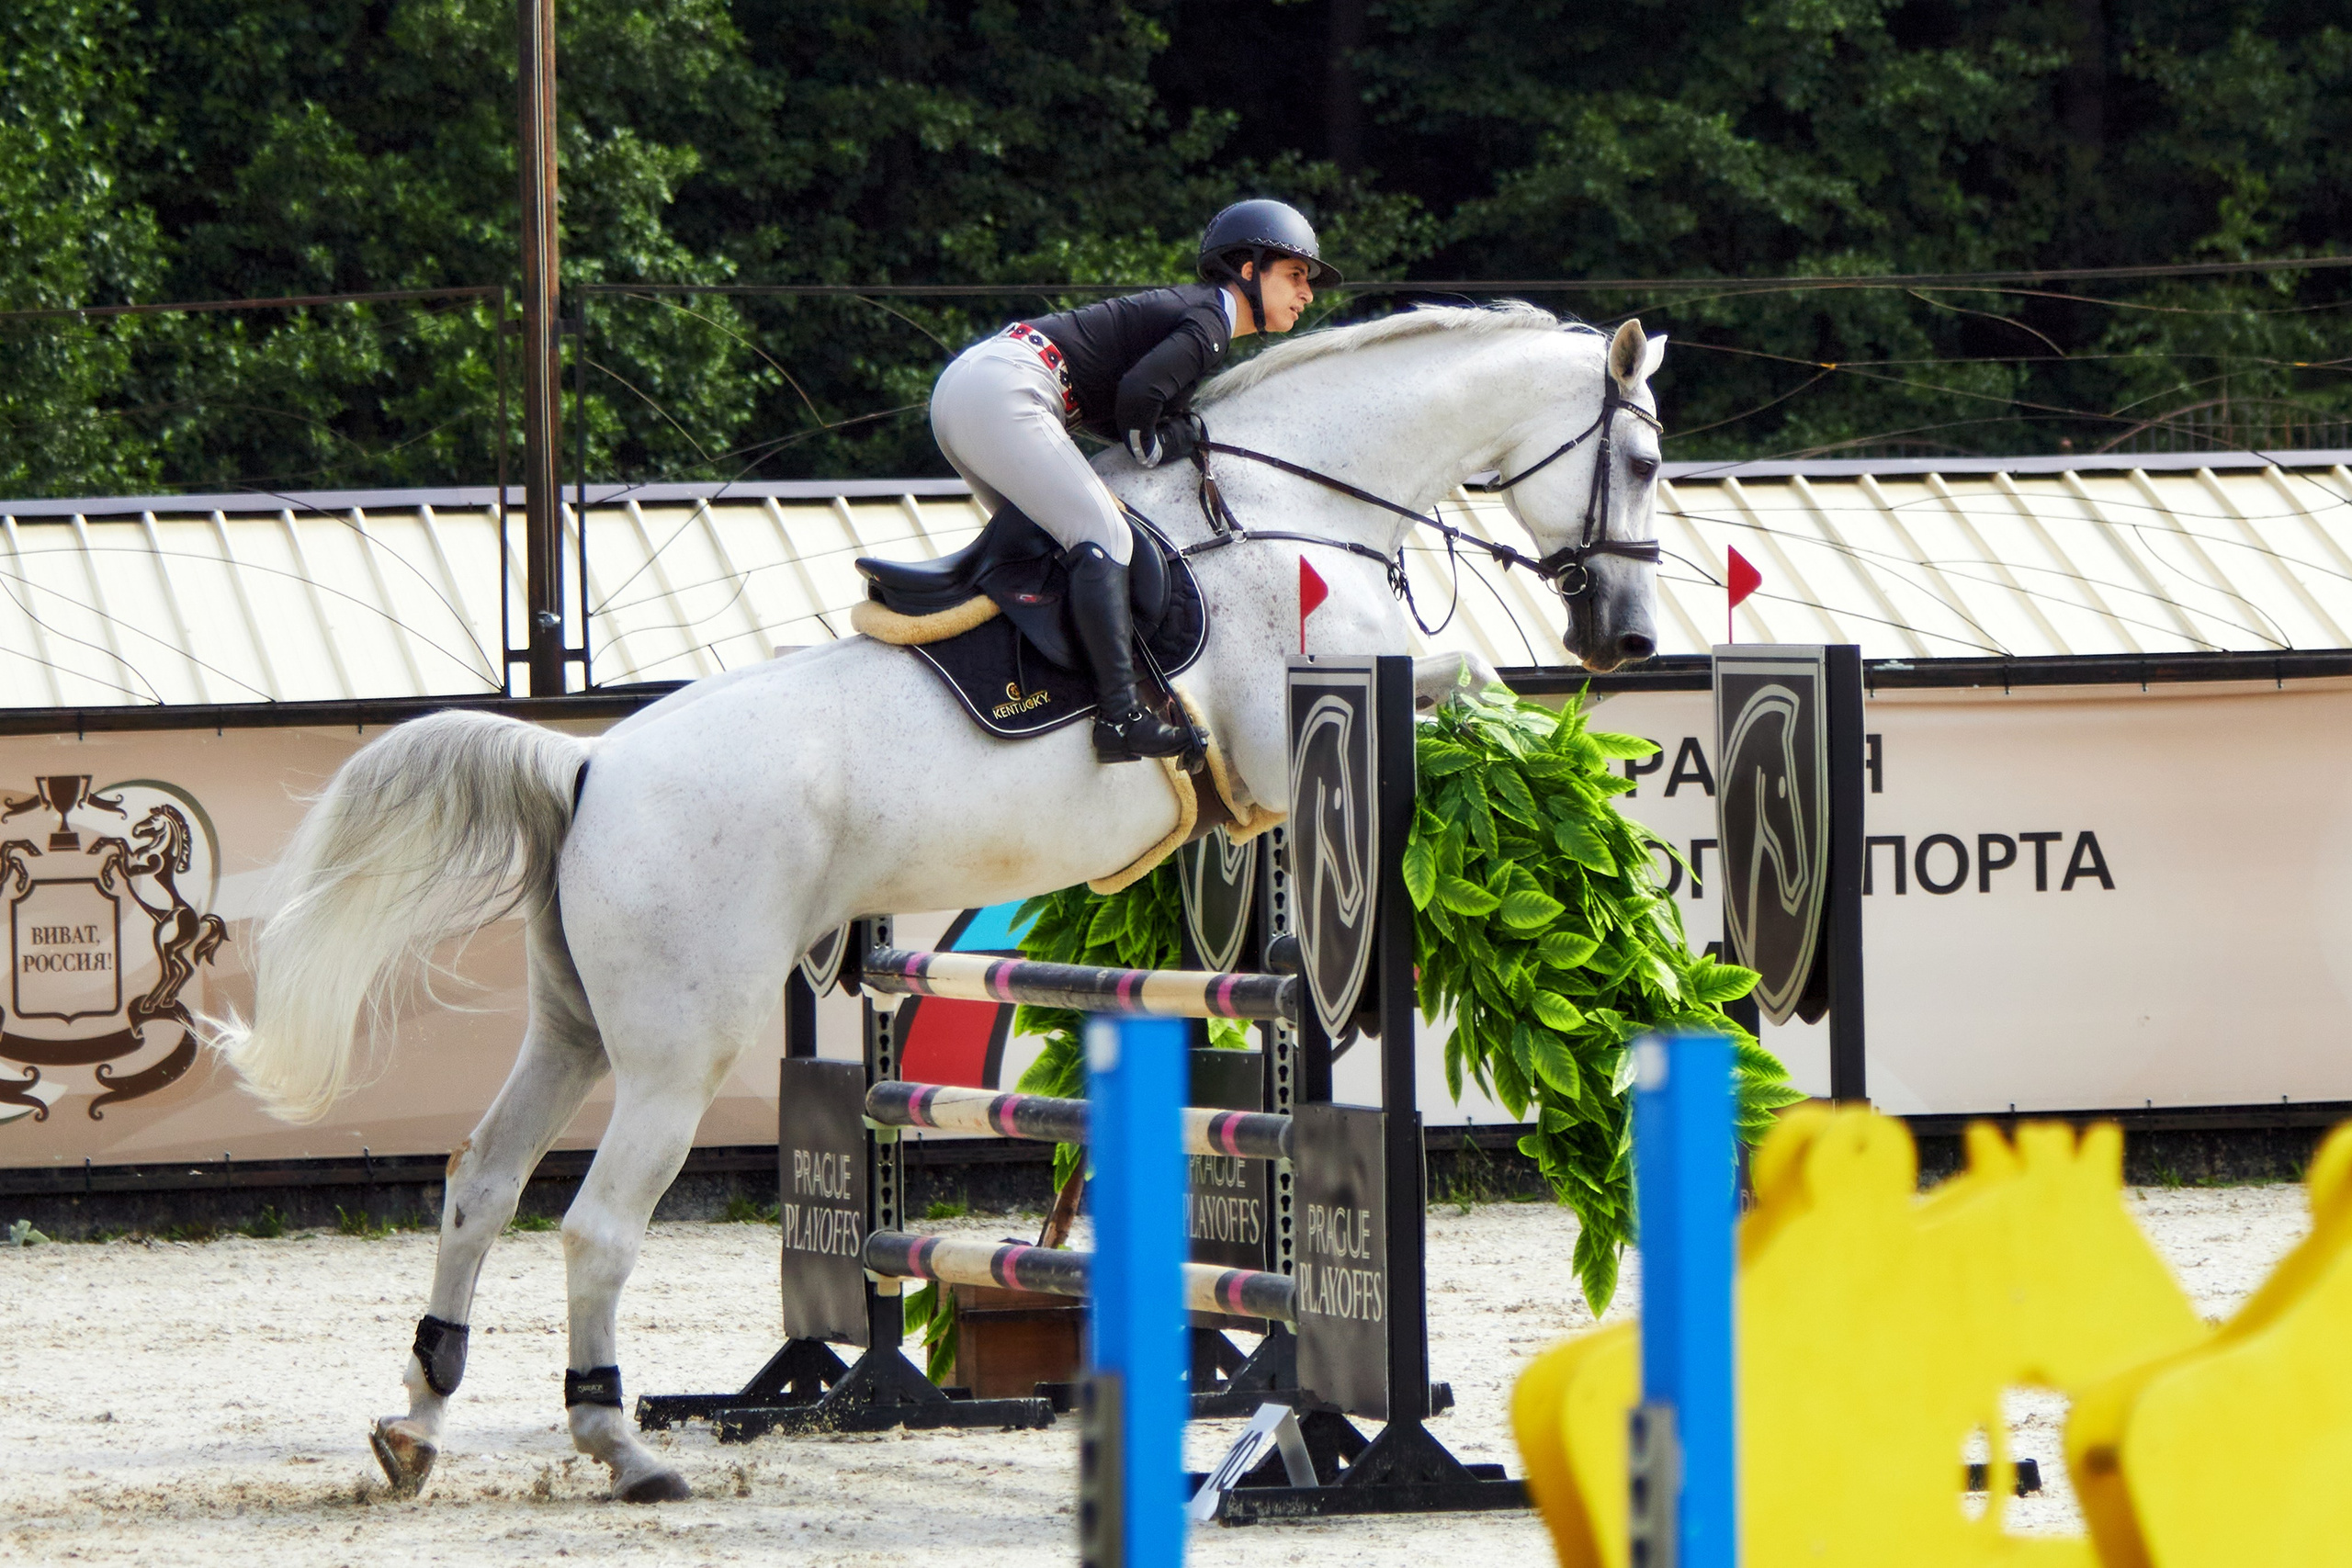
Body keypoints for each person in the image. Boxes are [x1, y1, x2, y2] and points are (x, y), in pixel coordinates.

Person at [928, 198, 1340, 761]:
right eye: (1295, 275)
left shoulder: (1196, 316)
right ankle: (1120, 717)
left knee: (1046, 547)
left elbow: (1120, 406)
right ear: (1249, 270)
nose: (1307, 293)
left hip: (972, 389)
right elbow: (1139, 403)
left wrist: (1162, 429)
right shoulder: (1210, 322)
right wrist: (1167, 439)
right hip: (1006, 390)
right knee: (1105, 537)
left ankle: (1035, 695)